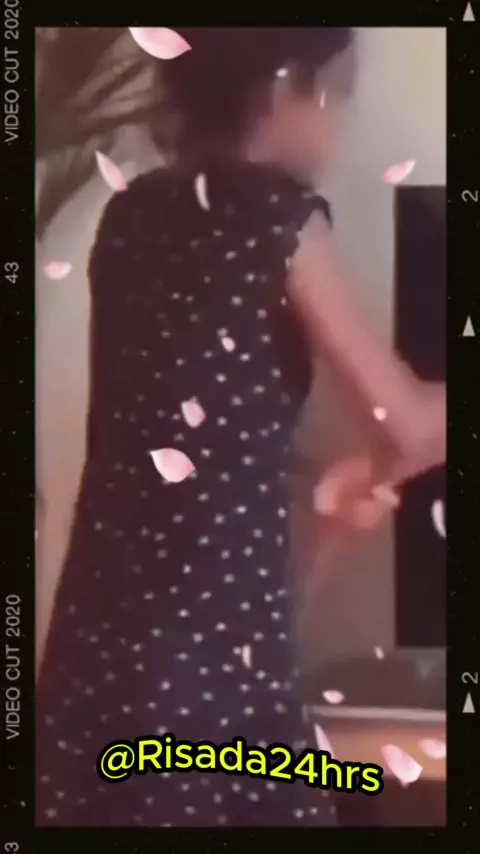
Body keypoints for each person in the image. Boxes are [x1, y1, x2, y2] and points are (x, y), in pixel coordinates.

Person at [36, 27, 445, 827]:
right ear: (290, 87)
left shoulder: (132, 218)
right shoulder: (278, 216)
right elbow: (412, 428)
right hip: (206, 702)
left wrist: (330, 517)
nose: (338, 124)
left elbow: (206, 534)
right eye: (335, 96)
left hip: (95, 676)